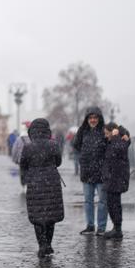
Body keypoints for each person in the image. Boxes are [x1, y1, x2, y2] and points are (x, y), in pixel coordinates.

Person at [19, 118, 64, 258]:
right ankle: (49, 244)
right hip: (52, 182)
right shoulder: (54, 145)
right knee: (50, 215)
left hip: (35, 183)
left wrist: (27, 178)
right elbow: (58, 161)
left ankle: (42, 245)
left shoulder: (28, 147)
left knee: (38, 216)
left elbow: (23, 164)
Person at [72, 107, 109, 235]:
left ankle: (101, 227)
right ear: (87, 119)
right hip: (87, 172)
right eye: (90, 118)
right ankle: (90, 225)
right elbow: (75, 144)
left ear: (99, 119)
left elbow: (119, 132)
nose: (93, 120)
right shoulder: (83, 131)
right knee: (88, 201)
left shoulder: (105, 131)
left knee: (103, 202)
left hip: (101, 173)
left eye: (95, 118)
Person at [101, 122, 131, 239]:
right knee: (111, 204)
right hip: (112, 177)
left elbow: (119, 149)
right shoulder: (115, 140)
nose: (106, 136)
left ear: (113, 132)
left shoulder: (119, 140)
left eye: (107, 133)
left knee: (115, 204)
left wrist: (116, 135)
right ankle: (116, 228)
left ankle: (118, 230)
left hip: (117, 177)